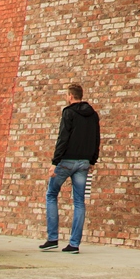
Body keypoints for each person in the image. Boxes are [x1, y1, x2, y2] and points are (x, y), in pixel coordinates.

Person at [39, 82, 100, 253]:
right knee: (80, 202)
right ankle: (74, 244)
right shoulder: (93, 115)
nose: (66, 98)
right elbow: (96, 138)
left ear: (71, 96)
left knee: (51, 194)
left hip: (65, 161)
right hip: (83, 163)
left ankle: (52, 239)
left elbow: (63, 138)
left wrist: (54, 162)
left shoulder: (68, 113)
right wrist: (92, 161)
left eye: (66, 95)